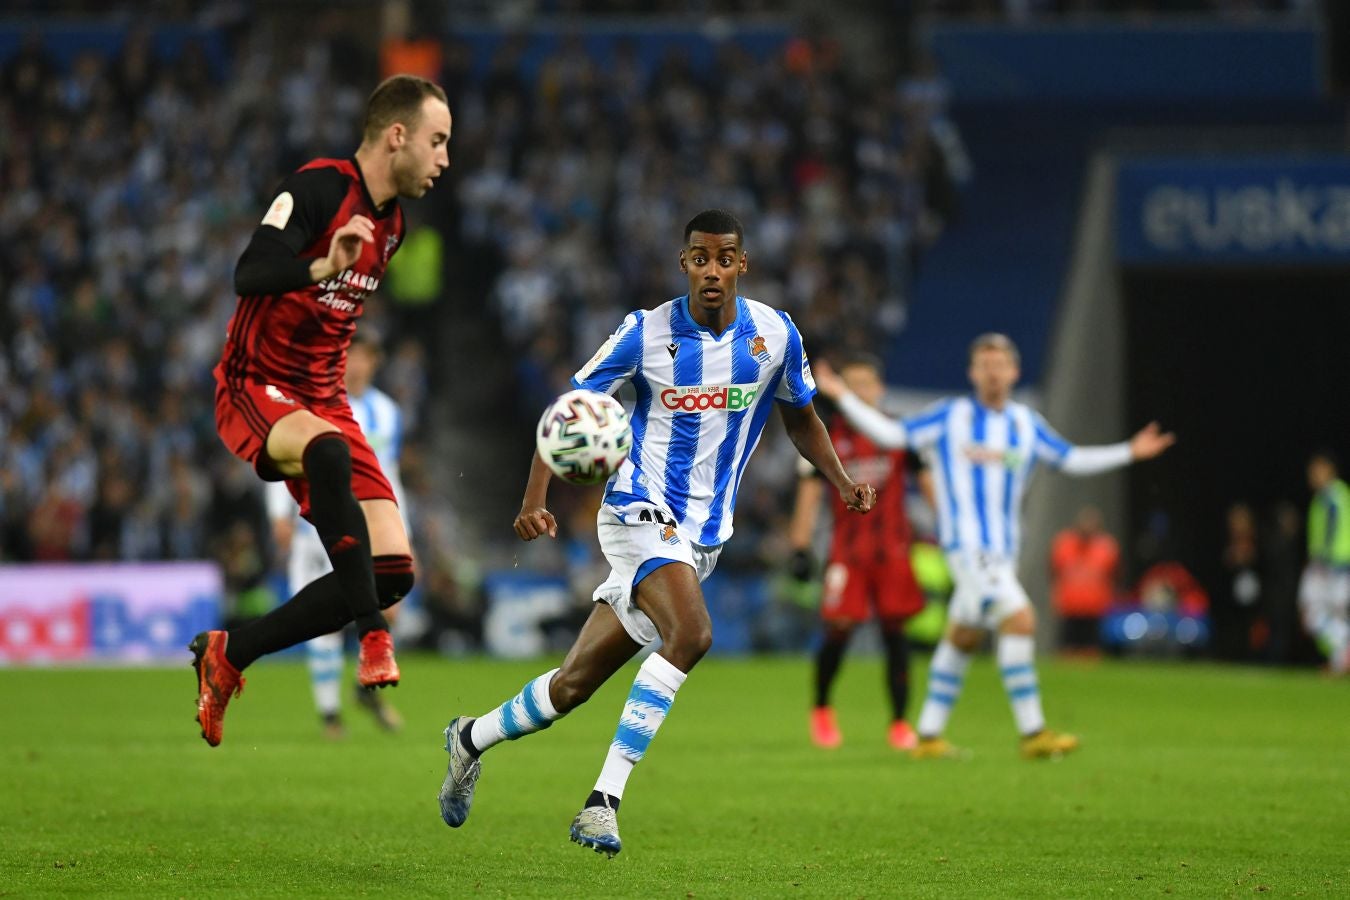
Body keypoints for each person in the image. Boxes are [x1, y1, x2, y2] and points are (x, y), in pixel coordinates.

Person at [436, 210, 876, 856]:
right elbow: (572, 408)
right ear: (685, 264)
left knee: (572, 685)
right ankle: (602, 802)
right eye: (701, 258)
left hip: (703, 539)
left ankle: (469, 739)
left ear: (742, 265)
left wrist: (839, 481)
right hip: (636, 507)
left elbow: (802, 416)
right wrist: (535, 496)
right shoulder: (645, 333)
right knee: (693, 633)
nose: (713, 271)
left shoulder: (774, 337)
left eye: (726, 258)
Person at [190, 74, 451, 747]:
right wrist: (317, 266)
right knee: (326, 452)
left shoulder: (394, 225)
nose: (444, 158)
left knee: (394, 569)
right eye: (437, 141)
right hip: (256, 384)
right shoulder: (317, 188)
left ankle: (231, 653)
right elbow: (248, 273)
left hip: (324, 396)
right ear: (398, 136)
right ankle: (372, 637)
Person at [813, 332, 1174, 759]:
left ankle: (928, 736)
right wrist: (844, 399)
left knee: (962, 637)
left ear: (1014, 372)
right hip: (967, 547)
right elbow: (893, 436)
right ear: (972, 373)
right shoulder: (951, 417)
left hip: (1002, 552)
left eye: (1000, 363)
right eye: (984, 364)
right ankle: (1033, 732)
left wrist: (1129, 452)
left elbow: (1070, 458)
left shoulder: (1025, 424)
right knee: (1020, 619)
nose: (993, 371)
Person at [265, 332, 407, 738]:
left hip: (372, 531)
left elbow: (390, 476)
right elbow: (284, 455)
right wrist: (279, 512)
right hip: (318, 532)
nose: (355, 364)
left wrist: (403, 531)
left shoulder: (387, 412)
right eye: (350, 356)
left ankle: (367, 690)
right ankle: (329, 715)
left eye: (364, 357)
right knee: (324, 622)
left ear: (374, 362)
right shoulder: (313, 403)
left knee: (385, 610)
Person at [787, 351, 926, 751]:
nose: (862, 391)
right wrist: (799, 546)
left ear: (880, 388)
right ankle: (822, 709)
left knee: (895, 635)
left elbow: (930, 484)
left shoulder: (900, 433)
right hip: (847, 553)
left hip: (893, 552)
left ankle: (900, 723)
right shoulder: (825, 436)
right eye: (853, 384)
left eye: (867, 383)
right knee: (839, 631)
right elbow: (809, 496)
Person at [1299, 450, 1350, 673]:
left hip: (1333, 565)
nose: (1313, 475)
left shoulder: (1332, 495)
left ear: (1328, 469)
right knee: (1327, 615)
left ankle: (1341, 658)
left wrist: (1323, 558)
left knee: (1316, 612)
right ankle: (1341, 657)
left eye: (1317, 470)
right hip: (1333, 564)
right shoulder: (1328, 496)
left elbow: (1332, 525)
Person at [1049, 505, 1119, 656]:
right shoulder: (1064, 544)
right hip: (1070, 606)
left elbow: (1114, 575)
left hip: (1094, 608)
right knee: (1068, 648)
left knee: (1091, 649)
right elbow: (1053, 571)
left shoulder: (1107, 547)